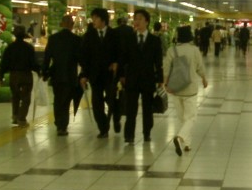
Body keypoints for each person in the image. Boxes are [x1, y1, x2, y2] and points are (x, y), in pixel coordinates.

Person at [164, 25, 208, 156]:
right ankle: (180, 137)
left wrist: (165, 83)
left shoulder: (172, 50)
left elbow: (166, 68)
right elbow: (200, 67)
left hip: (176, 88)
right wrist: (204, 78)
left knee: (182, 117)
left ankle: (187, 144)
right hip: (190, 88)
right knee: (191, 117)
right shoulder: (194, 50)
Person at [121, 9, 163, 144]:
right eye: (135, 19)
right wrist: (121, 75)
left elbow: (158, 62)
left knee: (147, 109)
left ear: (146, 21)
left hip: (148, 79)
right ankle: (129, 135)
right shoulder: (128, 39)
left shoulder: (154, 40)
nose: (136, 21)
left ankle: (147, 133)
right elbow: (123, 59)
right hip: (131, 79)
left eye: (139, 19)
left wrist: (160, 79)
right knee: (131, 108)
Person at [80, 8, 121, 138]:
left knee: (112, 100)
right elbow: (85, 57)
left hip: (110, 75)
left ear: (103, 19)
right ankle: (103, 128)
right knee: (96, 103)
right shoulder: (89, 35)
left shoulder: (114, 35)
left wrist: (117, 63)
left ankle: (116, 119)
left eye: (96, 18)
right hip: (95, 75)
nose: (93, 21)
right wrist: (84, 75)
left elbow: (121, 53)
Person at [43, 15, 82, 136]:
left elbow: (47, 57)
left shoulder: (53, 38)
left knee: (57, 99)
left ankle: (59, 122)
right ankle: (62, 125)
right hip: (70, 75)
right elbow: (81, 58)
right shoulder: (76, 40)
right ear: (71, 25)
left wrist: (44, 72)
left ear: (61, 24)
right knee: (66, 100)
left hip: (56, 74)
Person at [0, 25, 36, 127]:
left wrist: (1, 75)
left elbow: (4, 63)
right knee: (26, 97)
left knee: (15, 96)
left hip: (14, 75)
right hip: (26, 75)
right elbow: (33, 63)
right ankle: (21, 118)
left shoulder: (10, 48)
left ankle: (15, 116)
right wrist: (40, 71)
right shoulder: (29, 48)